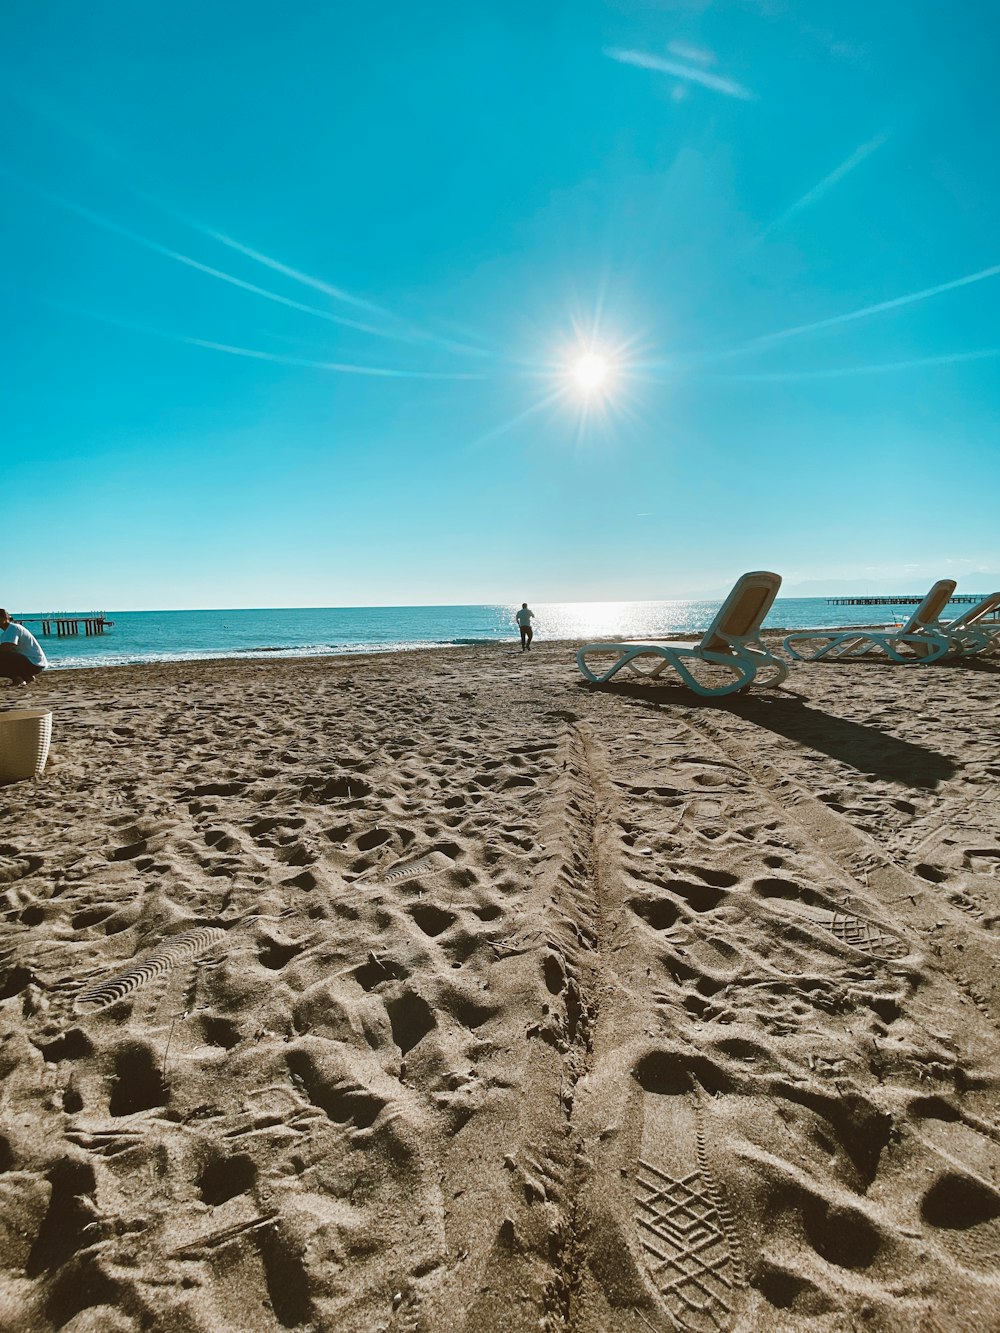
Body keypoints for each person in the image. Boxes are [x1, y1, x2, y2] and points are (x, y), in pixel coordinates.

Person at [0, 610, 48, 687]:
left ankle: (18, 679)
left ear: (4, 618)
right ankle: (26, 677)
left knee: (3, 655)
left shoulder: (13, 628)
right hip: (35, 663)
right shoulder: (7, 632)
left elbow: (7, 647)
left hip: (34, 663)